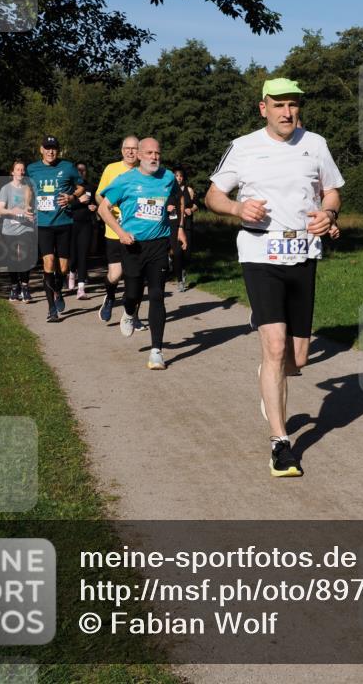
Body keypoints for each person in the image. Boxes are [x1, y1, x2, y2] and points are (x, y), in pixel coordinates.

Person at [205, 77, 344, 478]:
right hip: (259, 253)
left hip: (302, 254)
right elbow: (213, 196)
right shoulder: (243, 146)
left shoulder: (315, 144)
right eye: (279, 104)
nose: (287, 112)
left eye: (293, 104)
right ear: (262, 108)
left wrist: (328, 214)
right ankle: (280, 444)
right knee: (275, 344)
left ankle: (271, 372)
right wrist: (237, 209)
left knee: (296, 359)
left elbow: (332, 191)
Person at [97, 137, 186, 370]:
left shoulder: (168, 177)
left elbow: (179, 198)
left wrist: (179, 227)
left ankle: (156, 351)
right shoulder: (124, 180)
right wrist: (120, 232)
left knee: (156, 294)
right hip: (132, 245)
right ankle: (129, 312)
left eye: (157, 153)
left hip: (158, 244)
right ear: (138, 155)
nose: (154, 157)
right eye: (149, 153)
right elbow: (103, 208)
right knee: (133, 293)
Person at [26, 136, 85, 323]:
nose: (50, 151)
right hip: (43, 224)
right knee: (49, 262)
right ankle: (51, 309)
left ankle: (58, 290)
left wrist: (71, 197)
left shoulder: (67, 167)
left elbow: (81, 187)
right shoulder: (32, 169)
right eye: (47, 148)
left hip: (64, 222)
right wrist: (28, 206)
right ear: (41, 149)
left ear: (58, 150)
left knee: (63, 267)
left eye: (54, 148)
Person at [95, 136, 141, 324]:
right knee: (115, 275)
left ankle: (133, 315)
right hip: (114, 231)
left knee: (135, 276)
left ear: (139, 151)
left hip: (136, 232)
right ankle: (110, 296)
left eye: (134, 148)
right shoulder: (111, 169)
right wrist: (109, 208)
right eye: (127, 148)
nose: (130, 151)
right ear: (122, 150)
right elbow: (99, 195)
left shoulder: (144, 171)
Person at [0, 160, 35, 303]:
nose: (20, 172)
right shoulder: (5, 189)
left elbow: (29, 206)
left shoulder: (27, 189)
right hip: (9, 228)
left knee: (24, 255)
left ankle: (25, 287)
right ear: (12, 172)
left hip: (25, 227)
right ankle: (14, 287)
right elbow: (0, 210)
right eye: (18, 169)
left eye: (22, 169)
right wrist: (12, 211)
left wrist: (29, 212)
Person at [68, 161, 97, 299]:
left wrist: (94, 207)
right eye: (78, 170)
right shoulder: (69, 187)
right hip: (71, 223)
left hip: (86, 224)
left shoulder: (90, 187)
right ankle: (71, 272)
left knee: (83, 255)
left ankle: (81, 288)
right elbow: (65, 206)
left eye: (83, 170)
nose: (81, 172)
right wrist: (79, 201)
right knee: (73, 255)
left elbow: (95, 203)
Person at [170, 166, 196, 292]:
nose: (179, 178)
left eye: (180, 176)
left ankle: (184, 270)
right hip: (174, 224)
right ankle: (180, 280)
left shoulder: (189, 190)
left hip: (187, 224)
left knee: (187, 254)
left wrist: (191, 209)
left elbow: (195, 205)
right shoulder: (169, 190)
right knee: (177, 253)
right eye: (176, 176)